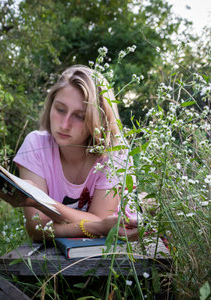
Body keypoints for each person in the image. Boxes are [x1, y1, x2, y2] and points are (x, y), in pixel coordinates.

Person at [12, 65, 140, 242]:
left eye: (79, 116)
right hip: (56, 257)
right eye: (60, 110)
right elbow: (37, 228)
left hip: (116, 250)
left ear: (99, 120)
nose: (64, 124)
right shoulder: (35, 145)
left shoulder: (115, 153)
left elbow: (104, 224)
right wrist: (94, 226)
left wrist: (38, 201)